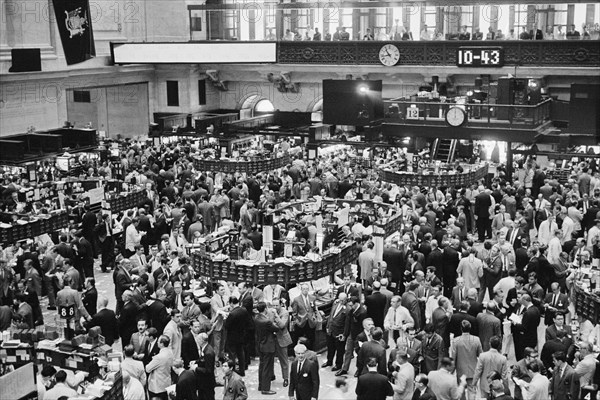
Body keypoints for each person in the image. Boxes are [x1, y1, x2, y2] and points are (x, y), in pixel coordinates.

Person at [254, 301, 278, 395]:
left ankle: (261, 385)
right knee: (267, 368)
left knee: (262, 366)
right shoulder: (267, 321)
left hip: (260, 344)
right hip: (268, 345)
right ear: (265, 309)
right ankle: (265, 389)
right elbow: (276, 328)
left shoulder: (256, 318)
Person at [146, 335, 174, 400]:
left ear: (162, 344)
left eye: (158, 342)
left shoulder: (158, 357)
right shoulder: (170, 353)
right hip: (166, 383)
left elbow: (147, 369)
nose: (157, 343)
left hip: (157, 387)